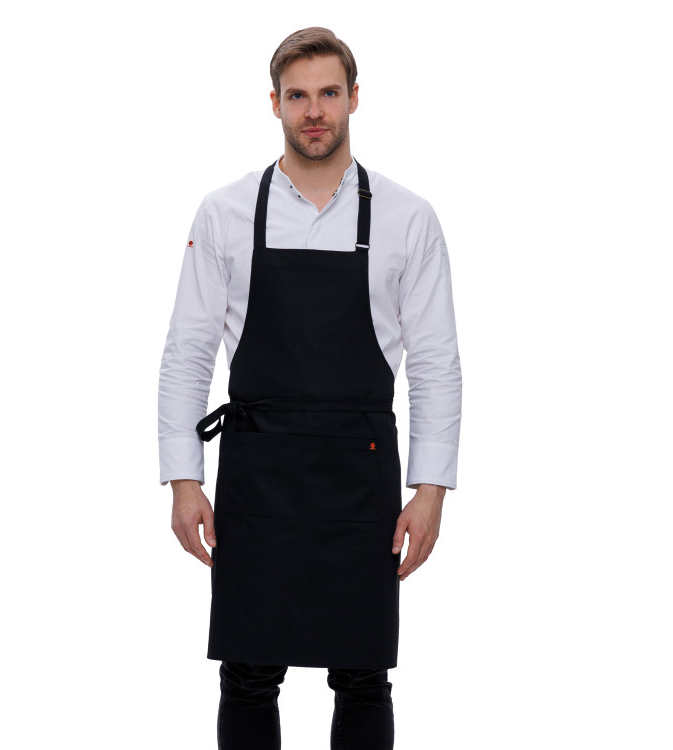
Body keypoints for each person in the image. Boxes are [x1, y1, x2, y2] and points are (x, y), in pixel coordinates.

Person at [158, 26, 462, 750]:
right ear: (275, 104)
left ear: (354, 98)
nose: (314, 110)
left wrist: (430, 490)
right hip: (257, 475)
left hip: (360, 476)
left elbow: (436, 362)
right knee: (247, 673)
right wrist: (183, 479)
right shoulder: (224, 212)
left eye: (329, 93)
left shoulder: (408, 217)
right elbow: (187, 352)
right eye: (298, 96)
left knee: (363, 676)